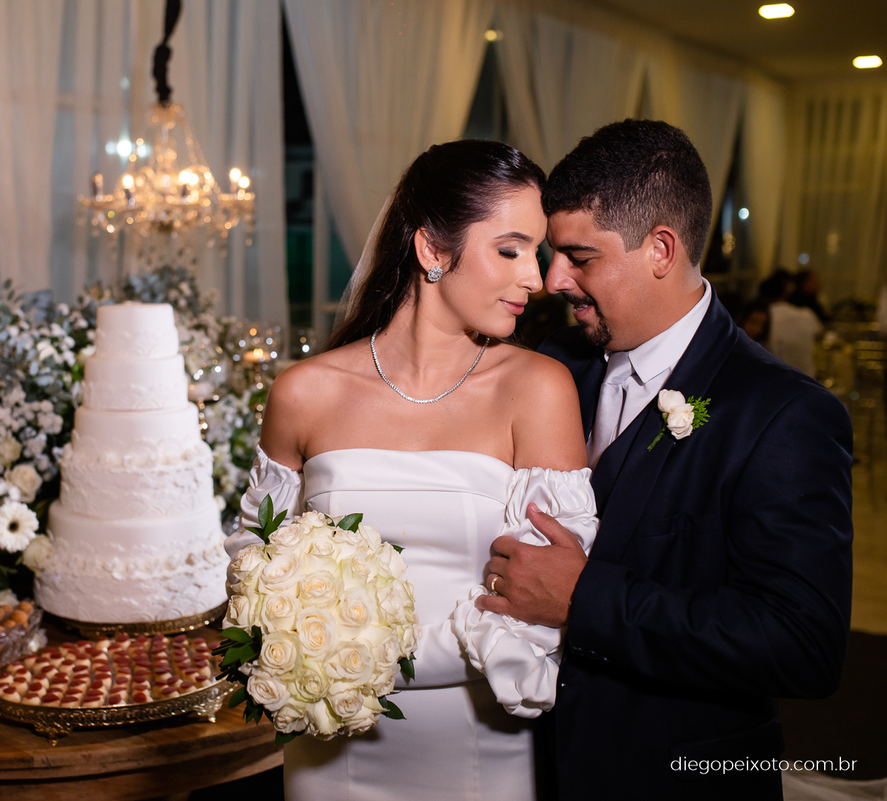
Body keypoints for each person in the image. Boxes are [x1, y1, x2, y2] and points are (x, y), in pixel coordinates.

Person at [477, 120, 854, 800]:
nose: (550, 279)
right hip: (529, 769)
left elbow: (803, 644)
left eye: (578, 256)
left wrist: (585, 598)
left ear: (660, 249)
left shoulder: (783, 413)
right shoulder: (553, 370)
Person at [227, 140, 599, 800]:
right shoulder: (302, 393)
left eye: (537, 253)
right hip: (328, 752)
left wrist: (351, 663)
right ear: (432, 250)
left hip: (479, 751)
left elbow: (542, 608)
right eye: (510, 249)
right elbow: (255, 577)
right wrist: (303, 664)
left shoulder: (538, 390)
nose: (537, 278)